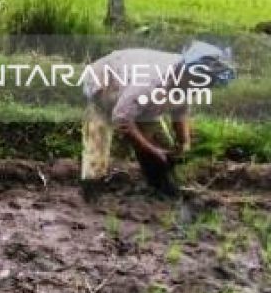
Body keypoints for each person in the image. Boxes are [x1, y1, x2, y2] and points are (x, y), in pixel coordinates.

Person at [80, 42, 236, 201]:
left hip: (138, 97)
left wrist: (183, 143)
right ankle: (91, 192)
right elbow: (122, 119)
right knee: (98, 142)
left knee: (162, 146)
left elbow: (180, 110)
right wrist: (152, 149)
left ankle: (159, 188)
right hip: (106, 82)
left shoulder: (191, 82)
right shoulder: (150, 81)